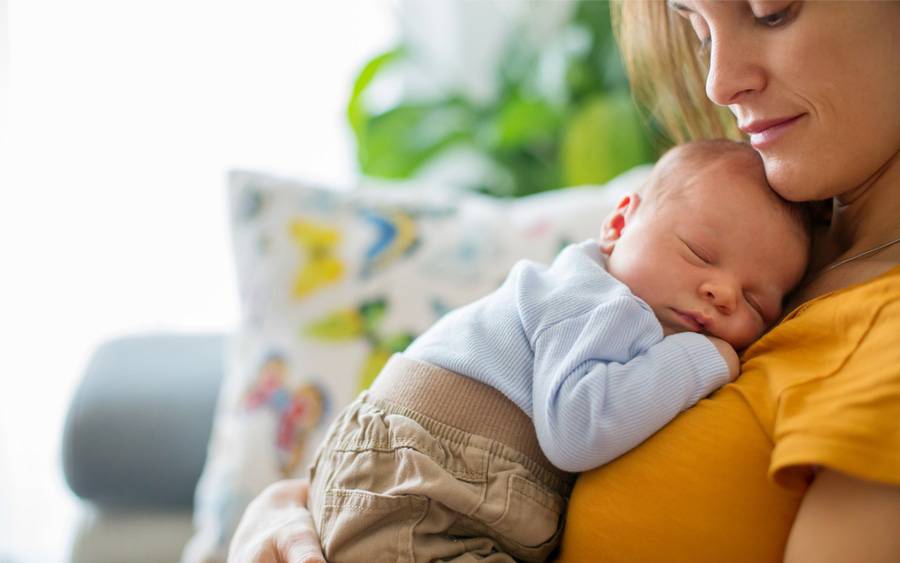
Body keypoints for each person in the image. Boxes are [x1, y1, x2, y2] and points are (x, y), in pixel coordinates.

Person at [228, 1, 900, 561]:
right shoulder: (734, 241)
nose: (718, 84)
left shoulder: (874, 330)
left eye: (771, 9)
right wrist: (286, 509)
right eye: (697, 30)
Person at [303, 139, 809, 562]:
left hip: (436, 485)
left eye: (755, 301)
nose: (722, 292)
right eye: (699, 253)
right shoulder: (598, 298)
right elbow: (577, 430)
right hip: (423, 481)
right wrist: (706, 358)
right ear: (617, 226)